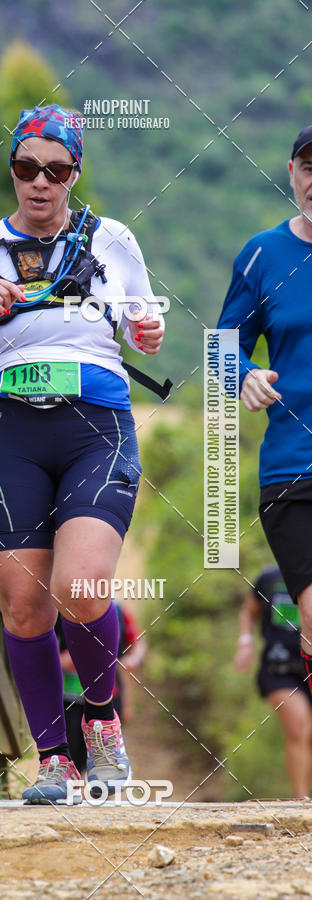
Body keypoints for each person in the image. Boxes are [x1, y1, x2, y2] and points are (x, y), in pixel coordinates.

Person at [0, 104, 165, 803]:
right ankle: (54, 761)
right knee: (26, 606)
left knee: (81, 588)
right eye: (27, 167)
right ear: (12, 170)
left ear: (73, 174)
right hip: (13, 434)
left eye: (56, 171)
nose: (40, 182)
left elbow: (143, 317)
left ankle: (103, 726)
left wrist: (147, 330)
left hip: (95, 425)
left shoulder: (110, 238)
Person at [217, 125, 312, 692]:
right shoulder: (262, 254)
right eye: (310, 168)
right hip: (293, 468)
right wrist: (245, 375)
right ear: (293, 173)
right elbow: (222, 347)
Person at [233, 566, 312, 798]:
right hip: (279, 669)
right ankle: (300, 799)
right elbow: (248, 611)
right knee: (298, 727)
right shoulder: (269, 578)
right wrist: (245, 643)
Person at [58, 602, 147, 772]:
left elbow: (137, 642)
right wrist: (60, 660)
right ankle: (76, 786)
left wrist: (135, 659)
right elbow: (39, 641)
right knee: (73, 759)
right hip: (70, 698)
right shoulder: (60, 607)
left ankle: (101, 786)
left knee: (105, 760)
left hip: (110, 697)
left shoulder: (117, 609)